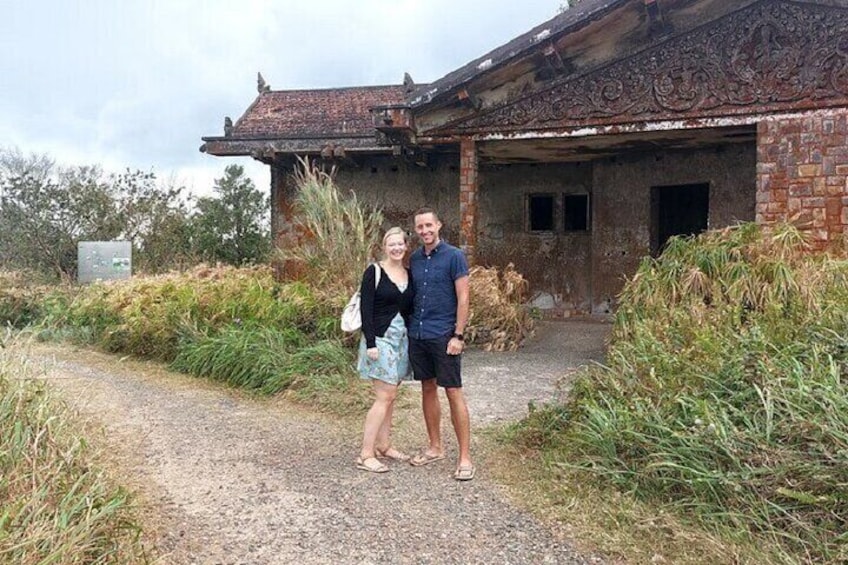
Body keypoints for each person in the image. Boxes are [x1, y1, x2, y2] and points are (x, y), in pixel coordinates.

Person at [407, 207, 475, 481]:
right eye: (420, 227)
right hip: (419, 334)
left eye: (428, 225)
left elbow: (464, 298)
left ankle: (465, 458)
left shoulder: (454, 256)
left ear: (439, 225)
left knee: (453, 392)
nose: (425, 231)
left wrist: (458, 335)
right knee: (427, 388)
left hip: (444, 335)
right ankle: (435, 447)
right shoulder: (413, 258)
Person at [355, 227, 415, 473]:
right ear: (384, 247)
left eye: (400, 244)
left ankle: (384, 444)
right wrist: (370, 343)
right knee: (384, 396)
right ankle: (365, 454)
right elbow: (365, 309)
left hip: (402, 340)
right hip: (380, 340)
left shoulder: (409, 274)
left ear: (406, 246)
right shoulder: (375, 272)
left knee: (391, 397)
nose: (397, 248)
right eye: (392, 245)